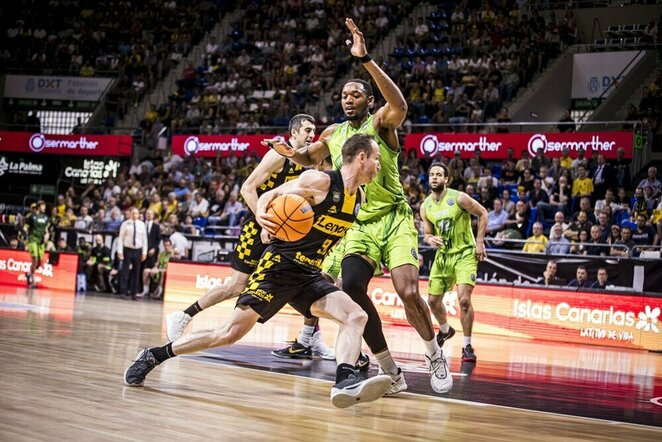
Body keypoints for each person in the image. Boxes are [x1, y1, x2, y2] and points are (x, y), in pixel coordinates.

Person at [124, 133, 393, 408]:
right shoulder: (320, 181)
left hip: (308, 275)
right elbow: (270, 195)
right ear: (361, 158)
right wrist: (265, 220)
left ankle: (344, 382)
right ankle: (155, 355)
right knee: (229, 333)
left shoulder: (357, 196)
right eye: (376, 159)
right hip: (278, 269)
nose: (379, 166)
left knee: (355, 316)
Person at [266, 19, 453, 394]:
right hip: (358, 223)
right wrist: (291, 154)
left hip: (394, 217)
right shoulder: (334, 133)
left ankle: (434, 353)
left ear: (368, 101)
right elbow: (309, 157)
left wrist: (365, 58)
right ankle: (390, 370)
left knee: (407, 290)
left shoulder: (381, 124)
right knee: (351, 288)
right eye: (344, 95)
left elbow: (399, 103)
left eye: (355, 95)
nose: (347, 99)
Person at [165, 114, 335, 361]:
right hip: (258, 225)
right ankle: (184, 315)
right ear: (294, 132)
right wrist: (263, 220)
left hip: (285, 230)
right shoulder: (278, 155)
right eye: (307, 130)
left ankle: (310, 336)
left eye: (314, 131)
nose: (311, 135)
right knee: (236, 285)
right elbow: (247, 187)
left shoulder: (312, 164)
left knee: (301, 277)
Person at [420, 162, 488, 362]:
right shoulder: (425, 206)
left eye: (439, 174)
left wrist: (480, 242)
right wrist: (430, 239)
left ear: (446, 179)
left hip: (464, 254)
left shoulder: (459, 198)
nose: (434, 177)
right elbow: (427, 233)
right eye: (431, 174)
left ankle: (467, 346)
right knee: (432, 301)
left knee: (464, 300)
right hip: (443, 257)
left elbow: (483, 213)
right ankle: (446, 329)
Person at [117, 207, 148, 298]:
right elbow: (121, 238)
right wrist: (120, 251)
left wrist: (144, 252)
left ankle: (134, 293)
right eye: (133, 213)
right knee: (125, 271)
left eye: (136, 213)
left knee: (136, 272)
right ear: (130, 214)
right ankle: (123, 291)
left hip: (138, 250)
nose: (135, 215)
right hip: (127, 249)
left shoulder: (142, 224)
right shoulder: (125, 224)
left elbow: (144, 239)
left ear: (138, 215)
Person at [23, 200, 49, 289]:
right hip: (33, 240)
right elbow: (26, 226)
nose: (44, 208)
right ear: (38, 207)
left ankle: (29, 274)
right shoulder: (32, 217)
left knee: (39, 263)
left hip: (41, 242)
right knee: (35, 259)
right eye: (43, 206)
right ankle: (32, 280)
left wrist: (47, 235)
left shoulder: (46, 217)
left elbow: (46, 229)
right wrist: (25, 230)